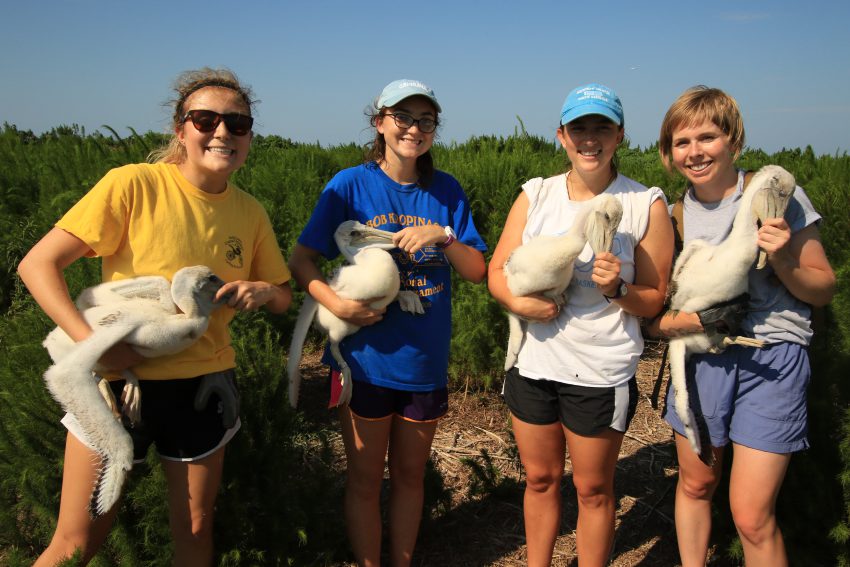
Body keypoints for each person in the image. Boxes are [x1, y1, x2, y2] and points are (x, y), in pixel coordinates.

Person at [17, 67, 292, 566]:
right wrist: (93, 346)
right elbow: (37, 265)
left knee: (194, 530)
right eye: (205, 119)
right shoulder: (133, 185)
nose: (222, 132)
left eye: (238, 123)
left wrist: (264, 291)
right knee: (77, 540)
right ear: (180, 129)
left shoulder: (249, 212)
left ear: (249, 135)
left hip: (204, 386)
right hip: (115, 387)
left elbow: (282, 297)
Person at [288, 79, 487, 567]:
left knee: (410, 477)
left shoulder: (446, 191)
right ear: (380, 123)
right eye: (402, 117)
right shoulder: (349, 185)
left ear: (434, 129)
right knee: (363, 478)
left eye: (425, 120)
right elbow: (301, 261)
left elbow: (477, 270)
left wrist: (442, 236)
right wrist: (335, 303)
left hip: (424, 363)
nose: (413, 129)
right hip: (364, 364)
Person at [488, 83, 673, 566]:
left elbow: (654, 299)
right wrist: (521, 304)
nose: (590, 138)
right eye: (579, 128)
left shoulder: (643, 203)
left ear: (619, 136)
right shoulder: (536, 195)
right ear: (562, 136)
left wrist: (619, 291)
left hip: (600, 370)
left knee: (593, 490)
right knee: (541, 480)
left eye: (601, 128)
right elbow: (496, 271)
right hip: (533, 364)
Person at [651, 85, 836, 566]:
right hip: (702, 362)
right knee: (695, 484)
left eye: (707, 137)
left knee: (751, 514)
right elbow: (655, 314)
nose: (695, 152)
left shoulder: (774, 195)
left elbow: (822, 287)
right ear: (669, 154)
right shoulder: (672, 217)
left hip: (772, 360)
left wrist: (783, 259)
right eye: (682, 142)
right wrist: (690, 321)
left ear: (734, 139)